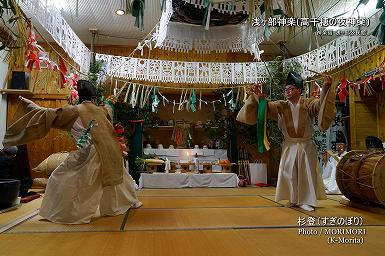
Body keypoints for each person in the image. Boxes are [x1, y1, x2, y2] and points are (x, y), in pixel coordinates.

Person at [2, 80, 142, 224]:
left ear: (79, 96)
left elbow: (46, 113)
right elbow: (109, 107)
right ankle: (129, 201)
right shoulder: (101, 110)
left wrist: (28, 103)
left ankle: (69, 213)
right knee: (119, 179)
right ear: (93, 97)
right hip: (110, 151)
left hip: (91, 154)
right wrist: (111, 99)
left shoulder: (74, 111)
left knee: (61, 178)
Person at [237, 71, 336, 211]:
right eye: (285, 89)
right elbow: (264, 108)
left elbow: (320, 105)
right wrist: (258, 96)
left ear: (299, 91)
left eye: (290, 89)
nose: (287, 92)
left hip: (305, 144)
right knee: (288, 173)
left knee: (306, 173)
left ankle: (306, 200)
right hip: (289, 145)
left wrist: (326, 87)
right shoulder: (281, 105)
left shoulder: (308, 104)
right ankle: (293, 199)